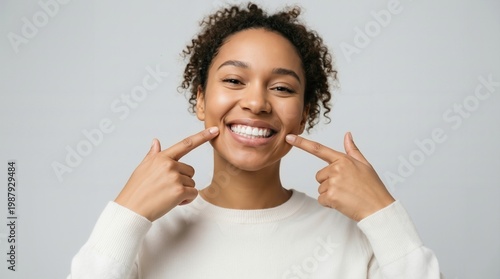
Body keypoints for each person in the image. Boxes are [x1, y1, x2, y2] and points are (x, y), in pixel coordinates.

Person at [68, 3, 442, 278]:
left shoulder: (354, 238)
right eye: (233, 80)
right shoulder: (142, 236)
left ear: (305, 112)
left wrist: (384, 216)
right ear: (200, 99)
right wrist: (124, 216)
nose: (256, 102)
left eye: (281, 87)